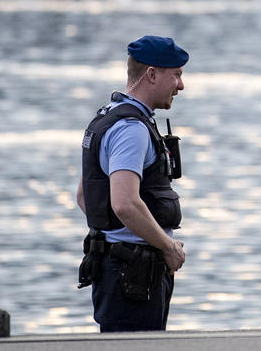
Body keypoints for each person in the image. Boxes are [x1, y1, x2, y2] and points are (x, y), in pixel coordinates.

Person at [76, 36, 188, 332]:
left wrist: (112, 241)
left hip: (118, 271)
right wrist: (167, 247)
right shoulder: (131, 129)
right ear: (151, 74)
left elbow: (85, 197)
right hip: (133, 276)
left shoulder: (109, 118)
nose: (181, 85)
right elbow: (124, 203)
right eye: (175, 74)